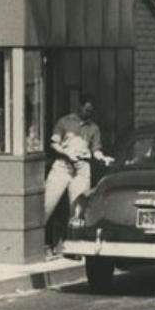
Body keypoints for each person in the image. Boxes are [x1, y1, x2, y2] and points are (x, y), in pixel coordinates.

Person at [44, 93, 114, 246]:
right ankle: (38, 242)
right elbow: (53, 143)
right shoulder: (65, 122)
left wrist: (103, 158)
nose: (88, 114)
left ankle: (72, 244)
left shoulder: (94, 128)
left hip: (82, 167)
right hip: (63, 165)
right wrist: (67, 153)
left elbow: (96, 150)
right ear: (80, 106)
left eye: (91, 111)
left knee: (77, 209)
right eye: (86, 110)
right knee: (47, 204)